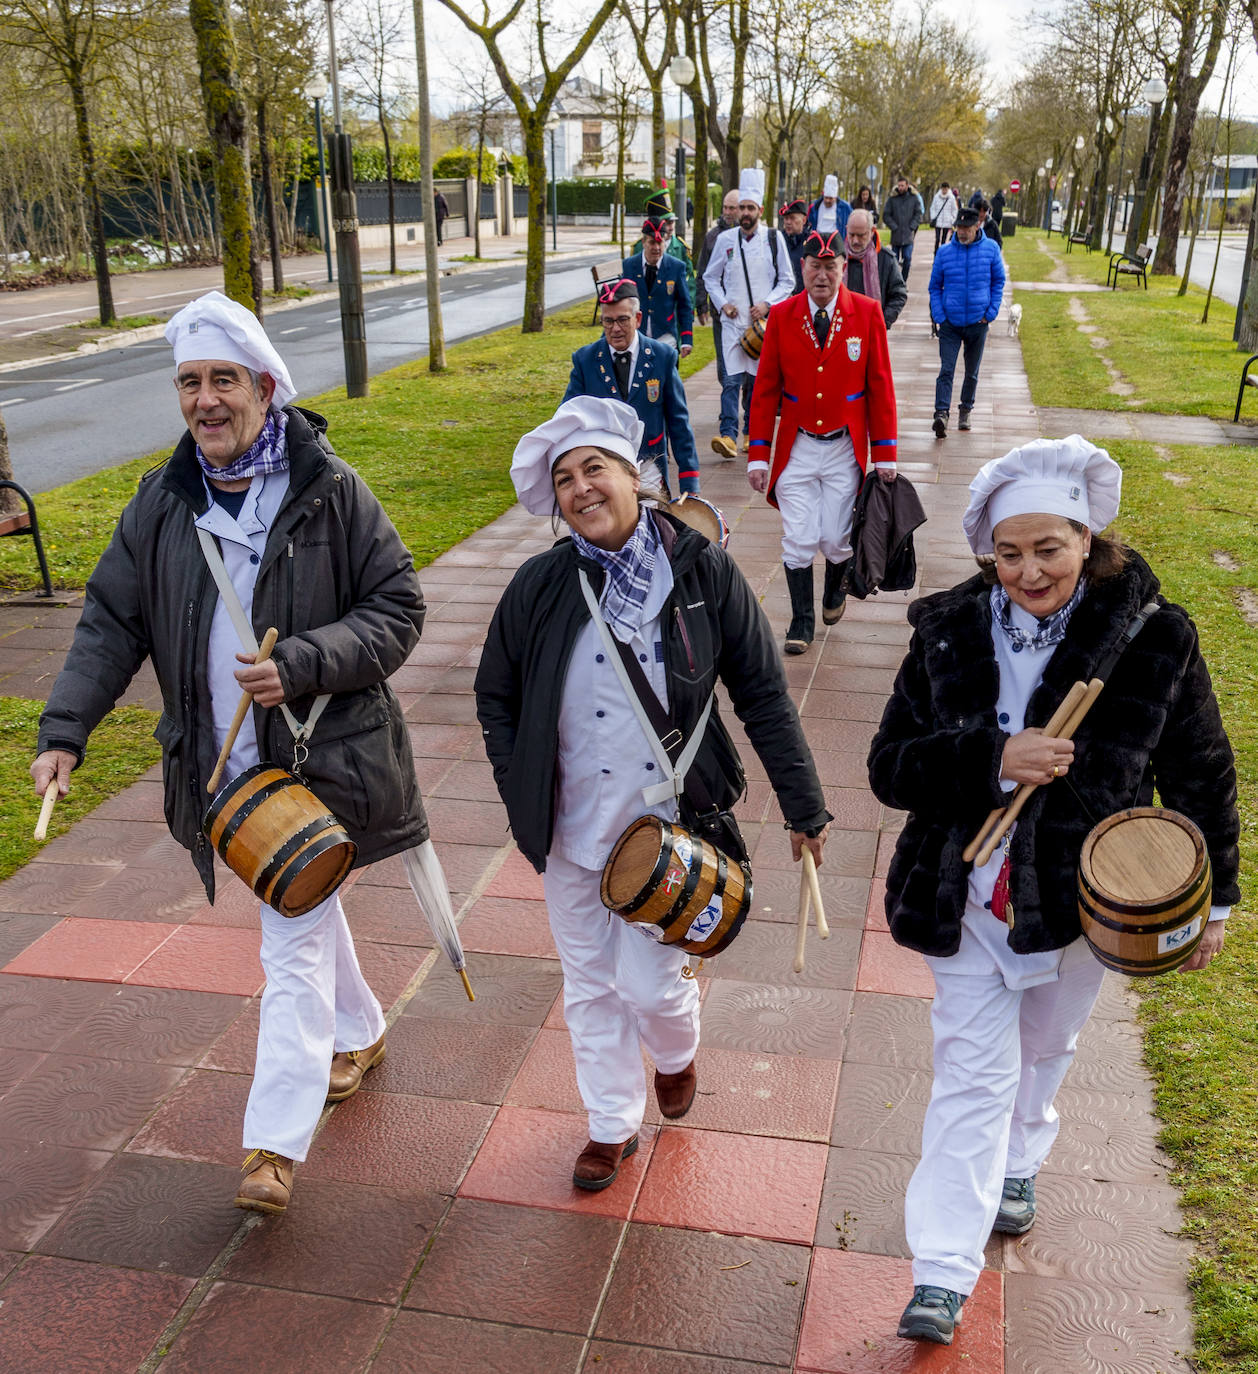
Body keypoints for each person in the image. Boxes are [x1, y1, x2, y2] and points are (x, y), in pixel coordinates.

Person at [31, 292, 429, 1216]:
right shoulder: (162, 501)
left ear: (264, 386)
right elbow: (109, 621)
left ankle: (272, 1145)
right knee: (307, 908)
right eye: (189, 383)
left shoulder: (330, 488)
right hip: (218, 767)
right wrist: (64, 732)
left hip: (320, 762)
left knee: (289, 941)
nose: (205, 401)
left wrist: (299, 663)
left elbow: (399, 607)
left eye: (223, 381)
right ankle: (362, 1029)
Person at [866, 437, 1239, 1346]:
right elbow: (889, 768)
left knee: (1047, 1043)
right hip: (962, 896)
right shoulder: (947, 629)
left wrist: (1215, 899)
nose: (1029, 570)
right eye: (1009, 552)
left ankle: (1024, 1156)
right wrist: (993, 759)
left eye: (1050, 548)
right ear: (988, 553)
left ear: (1087, 538)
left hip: (1081, 904)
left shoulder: (1157, 636)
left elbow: (1201, 770)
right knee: (969, 1076)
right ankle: (943, 1270)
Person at [475, 395, 832, 1191]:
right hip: (567, 830)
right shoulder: (539, 585)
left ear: (635, 475)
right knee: (591, 985)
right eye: (563, 479)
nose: (580, 489)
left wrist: (803, 807)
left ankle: (676, 1050)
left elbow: (765, 695)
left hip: (669, 829)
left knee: (649, 985)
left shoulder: (702, 571)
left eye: (593, 468)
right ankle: (611, 1124)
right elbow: (493, 695)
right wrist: (517, 786)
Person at [746, 230, 898, 654]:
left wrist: (885, 452)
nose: (822, 275)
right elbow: (765, 391)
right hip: (796, 448)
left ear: (842, 269)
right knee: (798, 537)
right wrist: (759, 454)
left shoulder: (866, 314)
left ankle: (835, 590)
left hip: (843, 450)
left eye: (830, 267)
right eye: (815, 266)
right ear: (803, 268)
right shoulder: (782, 315)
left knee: (835, 538)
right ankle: (801, 620)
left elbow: (881, 386)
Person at [563, 277, 700, 497]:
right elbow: (567, 419)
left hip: (649, 466)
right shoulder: (586, 360)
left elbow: (678, 422)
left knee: (650, 526)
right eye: (608, 321)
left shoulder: (662, 357)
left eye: (622, 320)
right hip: (603, 471)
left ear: (637, 318)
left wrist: (689, 480)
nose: (615, 329)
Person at [702, 168, 794, 460]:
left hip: (761, 325)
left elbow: (788, 281)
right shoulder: (725, 240)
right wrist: (721, 304)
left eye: (749, 208)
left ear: (760, 211)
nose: (744, 212)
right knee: (730, 380)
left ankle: (750, 433)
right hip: (731, 323)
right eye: (741, 207)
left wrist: (768, 304)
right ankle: (728, 435)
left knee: (755, 382)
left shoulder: (773, 239)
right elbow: (709, 277)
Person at [929, 205, 1006, 438]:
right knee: (947, 369)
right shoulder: (944, 253)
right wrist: (939, 315)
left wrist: (990, 313)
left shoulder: (991, 249)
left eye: (966, 228)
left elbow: (998, 282)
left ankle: (965, 409)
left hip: (977, 322)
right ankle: (941, 414)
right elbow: (934, 286)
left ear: (977, 226)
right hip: (950, 322)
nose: (962, 232)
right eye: (959, 228)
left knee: (972, 371)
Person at [622, 216, 693, 357]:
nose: (656, 248)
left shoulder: (676, 267)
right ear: (643, 242)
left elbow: (685, 305)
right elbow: (623, 302)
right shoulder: (629, 266)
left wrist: (686, 338)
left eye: (660, 243)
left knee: (668, 378)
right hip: (636, 336)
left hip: (665, 336)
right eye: (652, 242)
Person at [695, 188, 742, 390]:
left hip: (745, 311)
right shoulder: (713, 237)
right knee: (724, 364)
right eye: (725, 207)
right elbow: (703, 272)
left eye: (732, 208)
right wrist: (701, 304)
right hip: (719, 311)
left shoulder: (749, 238)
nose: (727, 212)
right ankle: (727, 411)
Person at [844, 209, 907, 330]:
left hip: (873, 329)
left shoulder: (886, 258)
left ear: (872, 231)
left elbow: (899, 294)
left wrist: (883, 321)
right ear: (846, 229)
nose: (855, 240)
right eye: (851, 235)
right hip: (842, 329)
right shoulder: (837, 257)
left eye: (861, 235)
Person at [882, 174, 922, 282]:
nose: (900, 188)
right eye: (899, 186)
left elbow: (918, 214)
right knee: (894, 260)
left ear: (907, 185)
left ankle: (903, 281)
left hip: (908, 235)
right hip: (896, 235)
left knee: (907, 258)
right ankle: (895, 281)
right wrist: (893, 226)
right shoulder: (892, 199)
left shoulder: (914, 199)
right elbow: (886, 215)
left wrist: (912, 226)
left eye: (902, 186)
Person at [779, 198, 810, 294]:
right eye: (786, 218)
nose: (788, 222)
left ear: (803, 220)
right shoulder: (778, 239)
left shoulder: (811, 242)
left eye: (792, 218)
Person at [807, 174, 851, 239]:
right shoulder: (815, 206)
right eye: (826, 198)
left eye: (830, 198)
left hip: (837, 242)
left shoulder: (845, 207)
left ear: (835, 197)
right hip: (818, 240)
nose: (827, 201)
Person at [929, 182, 957, 252]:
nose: (944, 190)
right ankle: (936, 253)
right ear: (941, 189)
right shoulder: (936, 197)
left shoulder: (951, 198)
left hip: (947, 221)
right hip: (938, 221)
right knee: (937, 238)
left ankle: (942, 252)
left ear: (948, 189)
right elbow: (932, 208)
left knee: (944, 239)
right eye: (943, 189)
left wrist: (953, 219)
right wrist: (933, 217)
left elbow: (954, 209)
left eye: (946, 189)